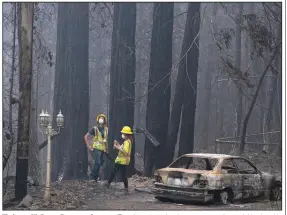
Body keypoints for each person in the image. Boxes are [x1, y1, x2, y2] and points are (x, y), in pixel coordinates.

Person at [105, 126, 133, 194]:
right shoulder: (127, 141)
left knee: (116, 173)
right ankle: (125, 188)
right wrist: (118, 144)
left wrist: (116, 147)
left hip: (122, 161)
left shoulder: (127, 142)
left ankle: (108, 184)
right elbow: (122, 149)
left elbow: (125, 152)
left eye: (123, 133)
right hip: (121, 161)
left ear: (127, 134)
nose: (122, 135)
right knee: (120, 174)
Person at [84, 113, 108, 181]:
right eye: (100, 118)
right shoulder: (94, 129)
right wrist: (88, 145)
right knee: (97, 162)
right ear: (98, 120)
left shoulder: (106, 129)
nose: (101, 120)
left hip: (103, 149)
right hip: (96, 148)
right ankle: (92, 177)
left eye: (102, 118)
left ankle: (96, 177)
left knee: (101, 163)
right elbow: (86, 136)